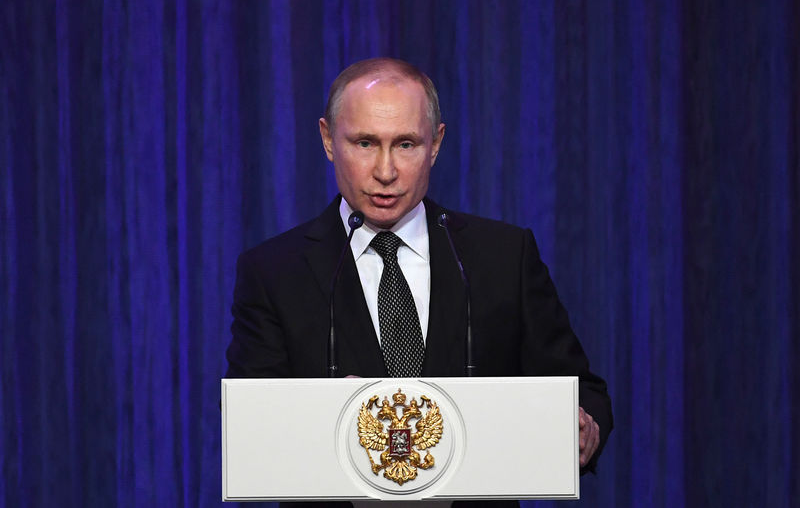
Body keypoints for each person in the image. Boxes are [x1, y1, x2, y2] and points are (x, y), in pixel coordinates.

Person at [226, 58, 612, 502]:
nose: (385, 171)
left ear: (436, 144)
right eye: (365, 143)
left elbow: (582, 391)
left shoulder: (501, 257)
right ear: (328, 140)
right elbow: (249, 422)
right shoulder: (274, 270)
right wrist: (322, 416)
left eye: (406, 144)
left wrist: (584, 427)